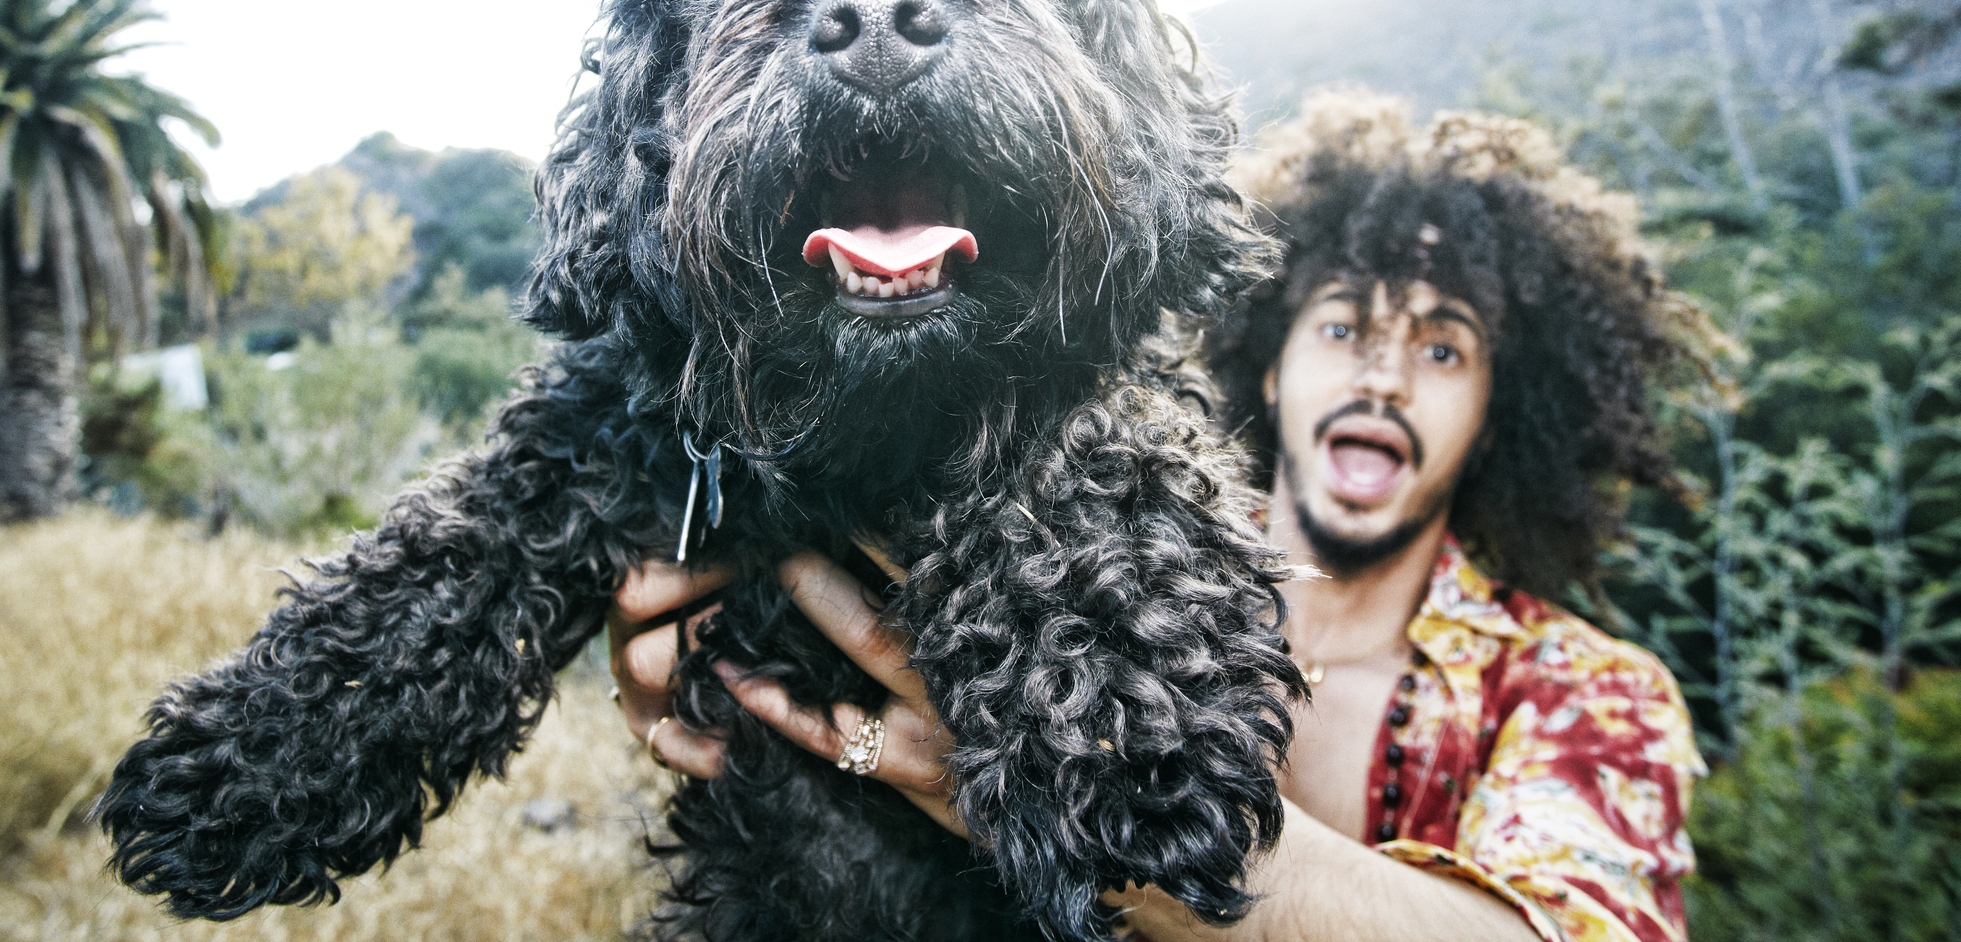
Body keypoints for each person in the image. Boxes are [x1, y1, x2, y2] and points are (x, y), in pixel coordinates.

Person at [610, 91, 1716, 942]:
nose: (1383, 377)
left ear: (1496, 412)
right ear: (1271, 364)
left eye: (1441, 347)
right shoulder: (1046, 548)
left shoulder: (1585, 695)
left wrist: (1081, 809)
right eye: (1343, 328)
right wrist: (737, 680)